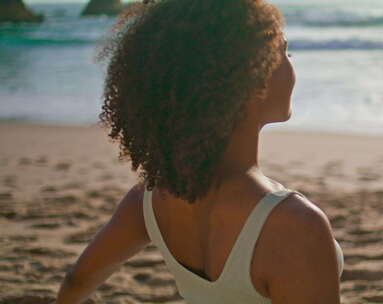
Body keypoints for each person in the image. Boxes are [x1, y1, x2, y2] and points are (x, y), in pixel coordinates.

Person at [56, 0, 343, 303]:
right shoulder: (295, 226)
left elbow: (77, 281)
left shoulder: (149, 201)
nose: (291, 63)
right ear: (254, 78)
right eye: (284, 51)